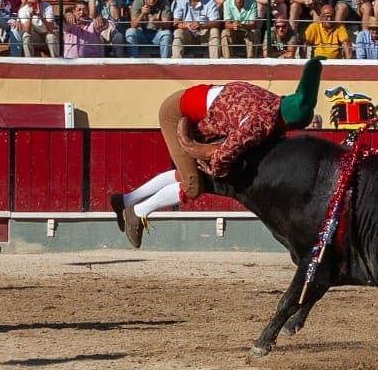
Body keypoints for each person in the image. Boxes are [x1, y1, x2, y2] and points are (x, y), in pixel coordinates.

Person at [111, 57, 323, 245]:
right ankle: (137, 212)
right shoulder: (260, 122)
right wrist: (219, 172)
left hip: (189, 104)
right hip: (176, 114)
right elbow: (222, 158)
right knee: (193, 185)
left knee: (188, 173)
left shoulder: (270, 100)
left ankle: (125, 200)